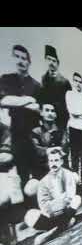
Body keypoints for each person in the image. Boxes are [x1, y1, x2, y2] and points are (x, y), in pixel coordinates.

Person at [0, 44, 41, 186]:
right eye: (17, 57)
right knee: (18, 175)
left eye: (24, 58)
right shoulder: (7, 79)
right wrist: (28, 99)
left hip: (32, 134)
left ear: (29, 62)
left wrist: (15, 101)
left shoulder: (36, 85)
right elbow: (3, 101)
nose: (20, 61)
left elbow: (38, 107)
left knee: (36, 173)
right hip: (14, 132)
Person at [23, 147, 81, 245]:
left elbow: (70, 196)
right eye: (51, 161)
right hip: (52, 216)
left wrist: (56, 202)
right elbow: (43, 204)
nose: (54, 163)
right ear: (48, 162)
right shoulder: (44, 181)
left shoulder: (68, 175)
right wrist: (56, 204)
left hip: (66, 211)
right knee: (29, 216)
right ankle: (64, 225)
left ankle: (54, 231)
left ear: (61, 161)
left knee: (77, 199)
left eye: (56, 160)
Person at [0, 122, 25, 245]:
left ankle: (9, 234)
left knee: (4, 199)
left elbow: (6, 155)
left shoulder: (4, 129)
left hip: (4, 172)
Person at [38, 45, 71, 131]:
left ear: (57, 63)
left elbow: (69, 104)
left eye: (54, 61)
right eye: (49, 59)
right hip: (45, 120)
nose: (51, 63)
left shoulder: (64, 82)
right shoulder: (43, 79)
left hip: (61, 120)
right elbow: (41, 100)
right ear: (45, 60)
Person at [30, 103, 68, 180]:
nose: (50, 113)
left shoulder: (61, 131)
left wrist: (60, 150)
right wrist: (48, 150)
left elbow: (64, 147)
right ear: (41, 113)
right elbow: (35, 149)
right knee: (30, 190)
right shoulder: (36, 131)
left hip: (59, 166)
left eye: (52, 111)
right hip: (42, 168)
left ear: (55, 115)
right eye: (47, 110)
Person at [66, 72, 82, 178]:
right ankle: (75, 183)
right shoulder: (69, 94)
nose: (78, 84)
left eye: (80, 82)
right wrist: (81, 112)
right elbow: (72, 111)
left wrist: (78, 114)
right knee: (74, 158)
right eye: (76, 81)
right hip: (74, 129)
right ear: (73, 82)